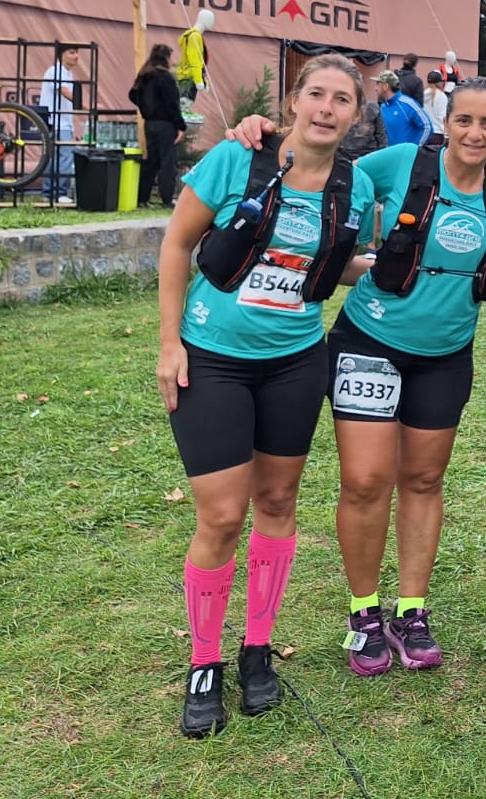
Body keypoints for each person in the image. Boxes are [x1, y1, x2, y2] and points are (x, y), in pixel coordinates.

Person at [229, 78, 486, 679]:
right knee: (366, 481)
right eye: (464, 120)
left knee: (423, 478)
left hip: (445, 355)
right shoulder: (401, 163)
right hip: (368, 342)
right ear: (446, 123)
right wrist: (262, 136)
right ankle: (364, 613)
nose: (474, 134)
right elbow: (321, 172)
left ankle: (411, 612)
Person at [157, 54, 373, 738]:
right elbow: (177, 245)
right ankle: (204, 662)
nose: (327, 108)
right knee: (222, 517)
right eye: (317, 94)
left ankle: (257, 649)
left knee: (277, 502)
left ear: (355, 114)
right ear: (293, 101)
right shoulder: (237, 158)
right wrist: (169, 344)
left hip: (295, 363)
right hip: (213, 359)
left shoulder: (356, 185)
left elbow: (328, 267)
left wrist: (395, 263)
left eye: (342, 99)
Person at [129, 44, 187, 207]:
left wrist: (144, 108)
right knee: (168, 162)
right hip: (166, 125)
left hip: (150, 123)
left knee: (151, 162)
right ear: (167, 58)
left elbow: (132, 94)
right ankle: (167, 198)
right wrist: (181, 126)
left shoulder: (144, 76)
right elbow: (172, 105)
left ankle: (143, 198)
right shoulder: (166, 78)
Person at [39, 44, 80, 205]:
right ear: (62, 54)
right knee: (64, 156)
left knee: (54, 158)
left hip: (61, 122)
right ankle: (59, 192)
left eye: (77, 52)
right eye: (72, 52)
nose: (76, 56)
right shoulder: (55, 71)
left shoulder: (67, 74)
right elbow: (66, 92)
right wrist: (87, 105)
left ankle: (49, 192)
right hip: (57, 123)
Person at [373, 71, 430, 148]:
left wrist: (415, 148)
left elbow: (427, 126)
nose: (375, 89)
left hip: (405, 154)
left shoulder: (407, 104)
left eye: (378, 84)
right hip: (388, 154)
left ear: (385, 86)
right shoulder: (383, 107)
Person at [338, 79, 387, 163]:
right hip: (344, 157)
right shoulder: (339, 107)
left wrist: (382, 158)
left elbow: (381, 137)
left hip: (369, 158)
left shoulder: (372, 108)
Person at [176, 11, 215, 103]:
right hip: (188, 78)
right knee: (185, 105)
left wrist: (203, 80)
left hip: (187, 76)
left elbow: (199, 61)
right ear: (204, 20)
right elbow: (194, 60)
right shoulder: (195, 37)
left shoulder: (192, 35)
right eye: (211, 19)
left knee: (185, 105)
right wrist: (199, 80)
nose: (213, 22)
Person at [422, 69, 449, 147]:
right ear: (440, 82)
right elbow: (442, 117)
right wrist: (446, 134)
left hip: (424, 133)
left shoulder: (423, 94)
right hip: (437, 133)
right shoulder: (441, 96)